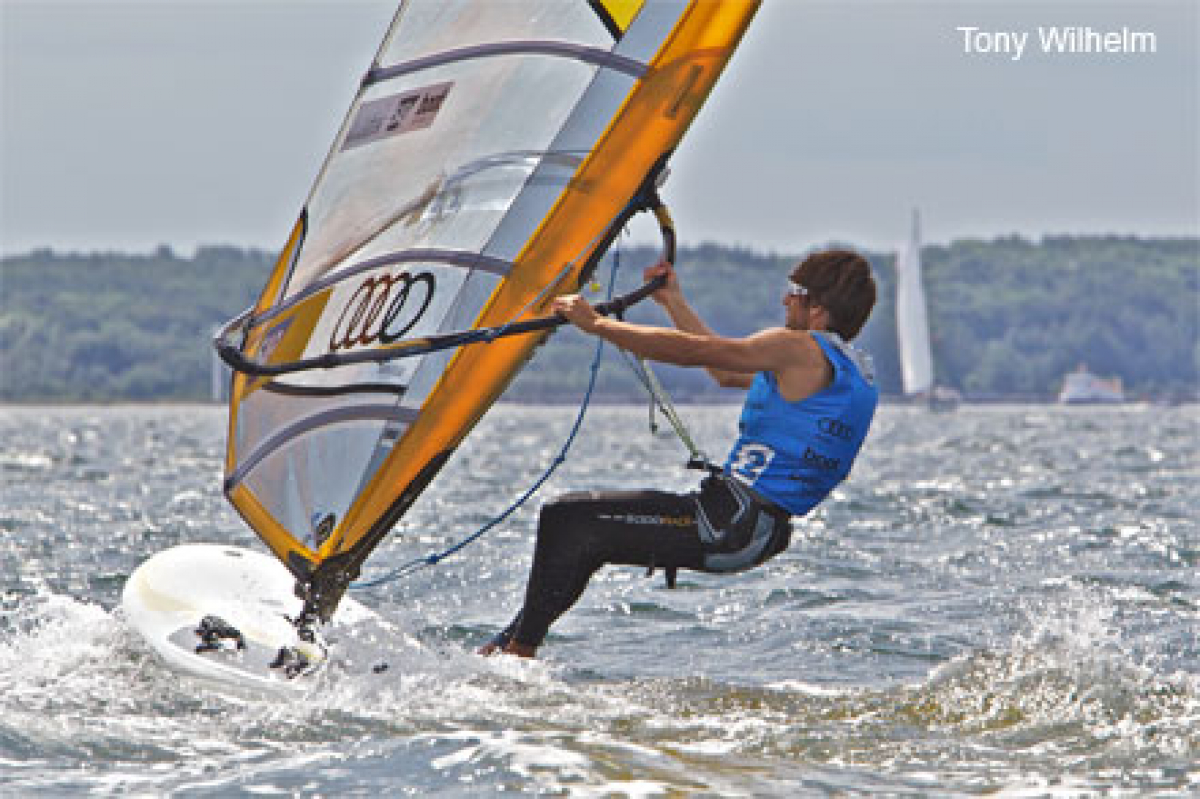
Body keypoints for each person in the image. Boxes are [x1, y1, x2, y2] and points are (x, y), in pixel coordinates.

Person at [481, 248, 879, 658]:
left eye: (793, 290)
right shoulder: (846, 370)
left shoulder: (797, 349)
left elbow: (693, 353)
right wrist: (674, 301)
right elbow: (725, 371)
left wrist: (597, 324)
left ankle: (518, 655)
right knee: (586, 533)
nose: (784, 300)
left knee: (566, 518)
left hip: (729, 523)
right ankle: (504, 649)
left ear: (817, 307)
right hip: (752, 528)